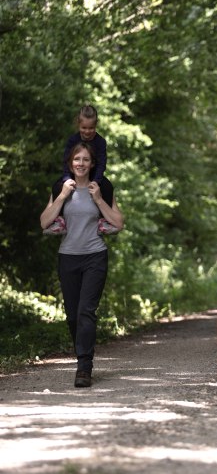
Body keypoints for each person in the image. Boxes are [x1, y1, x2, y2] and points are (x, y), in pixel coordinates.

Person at [40, 142, 124, 388]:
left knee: (86, 311)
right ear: (71, 163)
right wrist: (63, 196)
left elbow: (118, 222)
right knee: (72, 315)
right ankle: (83, 355)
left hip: (95, 256)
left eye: (85, 159)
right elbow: (44, 222)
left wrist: (98, 200)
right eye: (77, 159)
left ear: (92, 163)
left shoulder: (102, 188)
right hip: (68, 257)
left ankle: (84, 367)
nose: (81, 163)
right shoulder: (61, 187)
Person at [44, 105, 114, 234]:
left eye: (91, 128)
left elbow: (101, 164)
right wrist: (67, 179)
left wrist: (97, 181)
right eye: (84, 128)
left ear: (96, 125)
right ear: (78, 125)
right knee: (56, 187)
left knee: (108, 187)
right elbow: (66, 161)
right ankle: (59, 220)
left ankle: (104, 220)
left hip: (94, 174)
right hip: (73, 174)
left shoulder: (100, 142)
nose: (87, 131)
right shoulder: (72, 140)